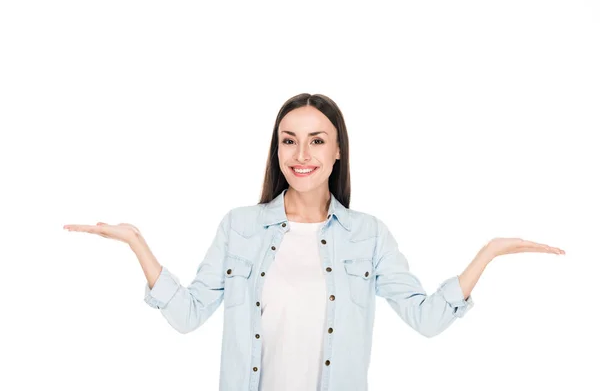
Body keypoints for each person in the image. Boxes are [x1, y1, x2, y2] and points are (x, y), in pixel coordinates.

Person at [64, 93, 565, 391]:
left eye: (317, 139)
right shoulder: (239, 225)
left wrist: (488, 253)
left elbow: (428, 320)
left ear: (338, 150)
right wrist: (136, 243)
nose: (301, 154)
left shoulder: (366, 234)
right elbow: (188, 314)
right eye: (289, 139)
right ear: (277, 147)